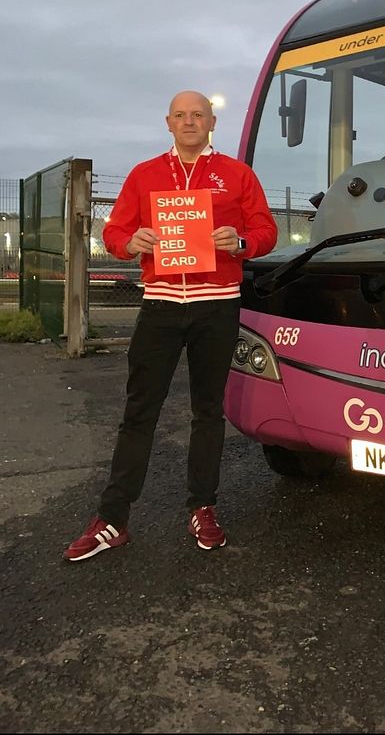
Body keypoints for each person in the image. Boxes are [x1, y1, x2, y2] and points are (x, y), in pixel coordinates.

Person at [64, 91, 277, 561]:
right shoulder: (145, 174)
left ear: (212, 122)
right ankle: (113, 518)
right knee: (139, 411)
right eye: (181, 115)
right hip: (160, 306)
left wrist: (239, 240)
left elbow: (266, 232)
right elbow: (114, 231)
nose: (189, 121)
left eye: (197, 114)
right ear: (168, 122)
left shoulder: (238, 175)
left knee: (207, 411)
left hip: (217, 307)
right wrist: (128, 241)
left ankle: (203, 506)